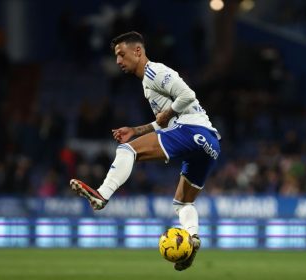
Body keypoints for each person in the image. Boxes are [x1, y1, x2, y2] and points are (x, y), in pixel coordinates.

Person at [70, 31, 221, 271]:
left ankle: (102, 194)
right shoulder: (147, 83)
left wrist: (168, 114)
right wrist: (136, 130)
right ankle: (192, 239)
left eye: (121, 54)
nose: (118, 61)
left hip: (192, 130)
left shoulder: (155, 72)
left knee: (127, 150)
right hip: (210, 143)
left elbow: (187, 96)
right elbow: (164, 121)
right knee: (182, 204)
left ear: (138, 51)